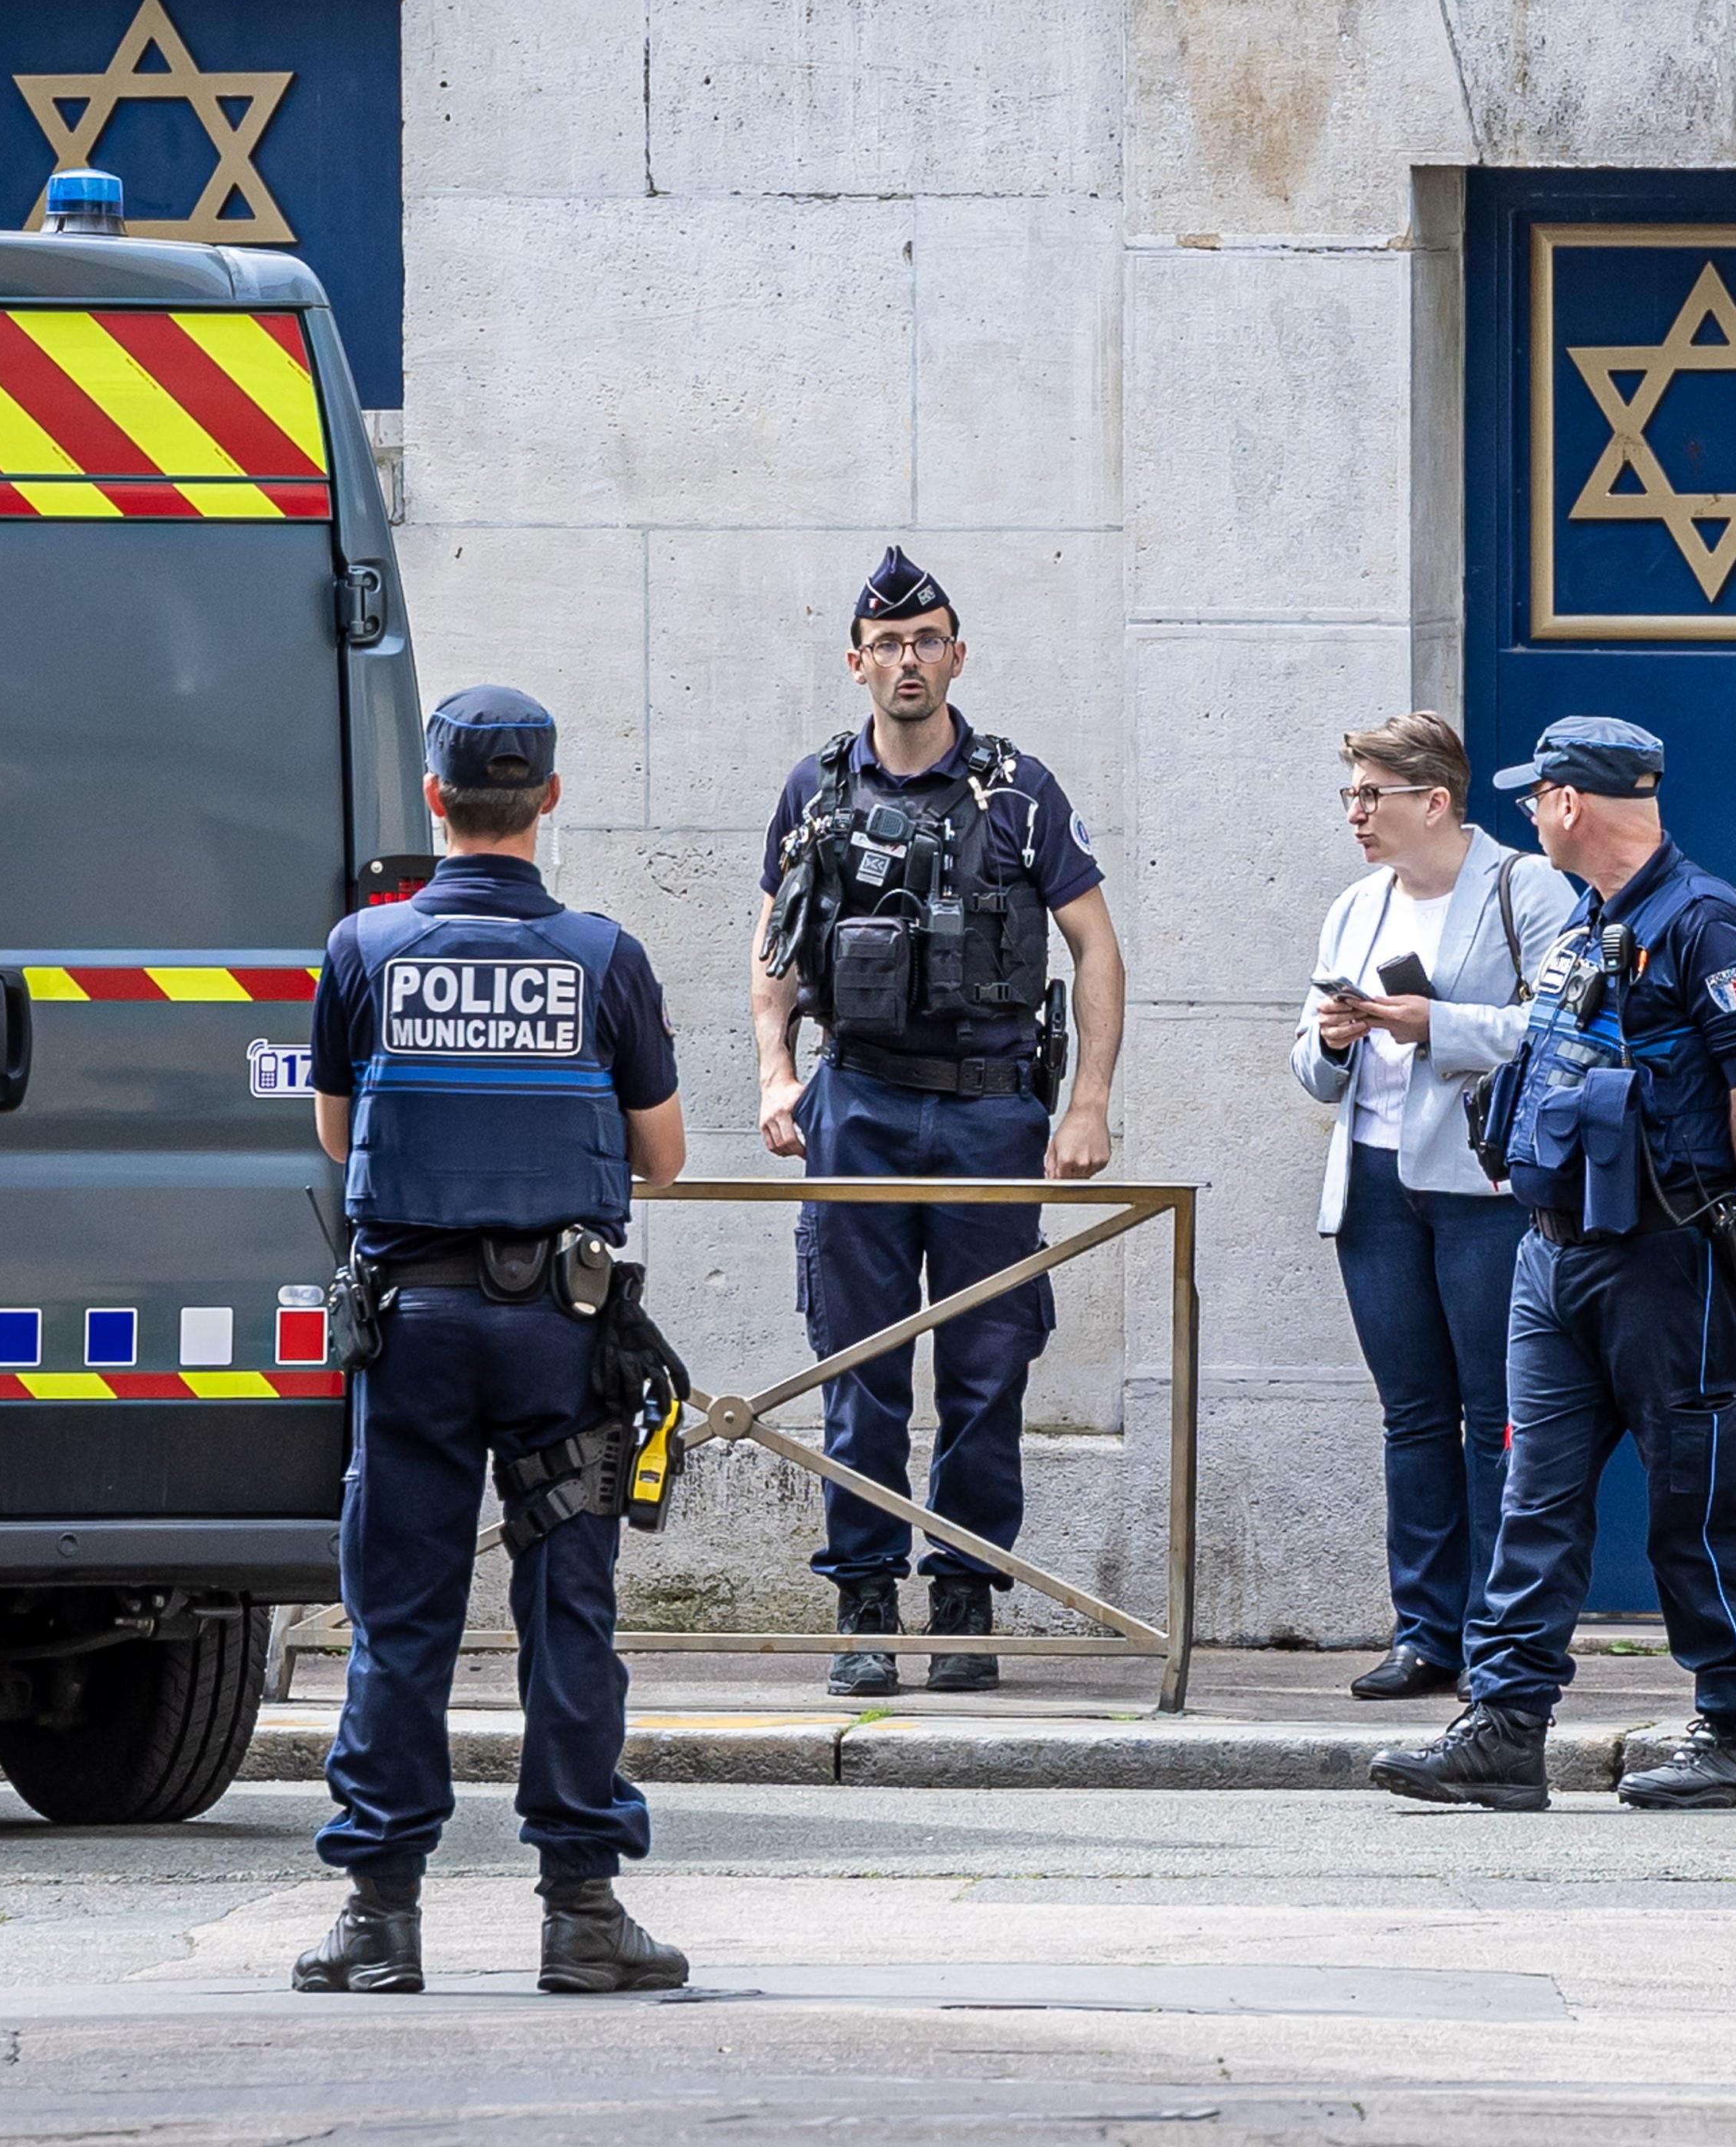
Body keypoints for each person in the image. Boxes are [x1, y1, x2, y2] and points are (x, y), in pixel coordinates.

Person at [295, 684, 693, 1998]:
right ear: (553, 801)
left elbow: (341, 1138)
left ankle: (377, 1921)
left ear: (433, 803)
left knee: (398, 1619)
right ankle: (582, 1915)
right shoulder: (604, 954)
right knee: (566, 1611)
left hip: (411, 1328)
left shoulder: (362, 951)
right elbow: (666, 1155)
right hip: (557, 1334)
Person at [1370, 716, 1736, 1814]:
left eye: (1537, 795)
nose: (1525, 810)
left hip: (1668, 1261)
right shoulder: (1584, 922)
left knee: (1694, 1500)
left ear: (1571, 803)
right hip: (1553, 1256)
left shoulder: (1705, 920)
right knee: (1534, 1498)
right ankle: (1506, 1728)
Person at [751, 548, 1125, 1695]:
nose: (907, 662)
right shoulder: (815, 791)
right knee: (856, 1365)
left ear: (955, 657)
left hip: (988, 1112)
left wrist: (1090, 1102)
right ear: (856, 662)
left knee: (986, 1363)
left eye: (928, 643)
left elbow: (1095, 946)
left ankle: (964, 1594)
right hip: (855, 1101)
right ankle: (866, 1603)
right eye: (887, 645)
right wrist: (775, 1073)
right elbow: (774, 946)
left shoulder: (1018, 790)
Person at [1291, 712, 1577, 1701]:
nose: (1356, 815)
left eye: (1372, 796)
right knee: (1411, 1417)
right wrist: (1333, 1039)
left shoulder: (1523, 887)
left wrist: (1436, 1024)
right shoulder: (1355, 906)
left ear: (1435, 800)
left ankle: (1505, 1635)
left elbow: (1565, 1027)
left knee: (1501, 1418)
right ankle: (1424, 1633)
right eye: (1351, 796)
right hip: (1373, 1184)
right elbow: (1307, 1064)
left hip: (1483, 1190)